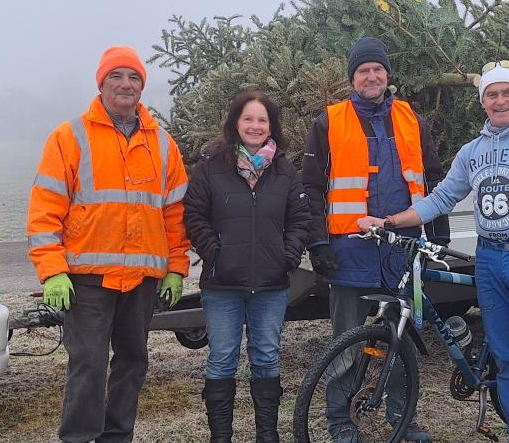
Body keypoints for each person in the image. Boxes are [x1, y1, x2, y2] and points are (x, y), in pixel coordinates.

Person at [357, 60, 509, 443]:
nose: (500, 101)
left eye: (507, 92)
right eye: (491, 94)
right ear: (483, 102)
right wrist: (388, 222)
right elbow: (441, 198)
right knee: (508, 359)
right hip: (490, 259)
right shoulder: (472, 151)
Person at [27, 46, 191, 443]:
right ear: (101, 84)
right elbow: (45, 210)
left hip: (142, 280)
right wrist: (52, 271)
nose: (126, 84)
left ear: (142, 87)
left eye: (134, 78)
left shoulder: (163, 144)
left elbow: (174, 214)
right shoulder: (70, 137)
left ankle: (117, 436)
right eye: (116, 76)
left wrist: (175, 267)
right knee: (88, 365)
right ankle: (80, 437)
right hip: (87, 280)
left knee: (133, 362)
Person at [302, 36, 450, 442]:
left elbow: (434, 179)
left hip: (403, 252)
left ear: (387, 75)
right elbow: (311, 188)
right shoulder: (329, 121)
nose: (371, 76)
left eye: (377, 69)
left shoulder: (411, 120)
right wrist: (317, 244)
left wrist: (438, 232)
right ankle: (340, 422)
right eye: (363, 70)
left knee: (402, 341)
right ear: (353, 77)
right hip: (349, 251)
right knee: (346, 343)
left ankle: (403, 421)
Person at [183, 90, 310, 443]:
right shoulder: (211, 167)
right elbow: (194, 215)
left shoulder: (284, 169)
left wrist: (288, 255)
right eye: (248, 118)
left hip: (270, 285)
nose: (255, 126)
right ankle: (221, 437)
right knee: (222, 358)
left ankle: (267, 436)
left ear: (272, 126)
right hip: (223, 284)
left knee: (267, 358)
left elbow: (300, 218)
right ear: (235, 122)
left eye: (262, 120)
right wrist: (214, 253)